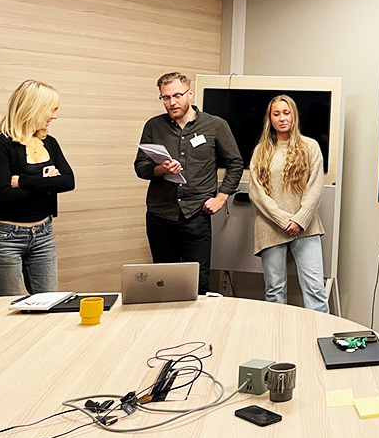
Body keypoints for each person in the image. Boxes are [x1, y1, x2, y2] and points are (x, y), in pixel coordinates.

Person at [134, 72, 243, 295]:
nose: (172, 102)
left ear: (190, 93)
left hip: (196, 214)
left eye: (177, 95)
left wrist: (221, 198)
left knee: (199, 283)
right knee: (163, 282)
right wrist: (161, 169)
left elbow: (235, 163)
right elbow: (140, 167)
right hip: (160, 214)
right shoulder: (154, 126)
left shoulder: (215, 125)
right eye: (165, 97)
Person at [0, 80, 75, 296]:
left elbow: (68, 181)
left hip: (44, 235)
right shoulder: (0, 145)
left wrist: (24, 181)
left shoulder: (50, 142)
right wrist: (48, 181)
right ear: (33, 108)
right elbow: (3, 195)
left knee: (48, 304)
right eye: (52, 109)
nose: (55, 116)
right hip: (6, 239)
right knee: (10, 310)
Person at [249, 95, 329, 313]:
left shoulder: (310, 146)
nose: (282, 118)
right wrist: (284, 219)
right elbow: (256, 191)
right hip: (270, 227)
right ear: (270, 119)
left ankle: (319, 338)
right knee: (274, 291)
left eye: (286, 113)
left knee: (315, 290)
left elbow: (315, 188)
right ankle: (276, 340)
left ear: (294, 116)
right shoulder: (261, 150)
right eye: (276, 114)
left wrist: (299, 219)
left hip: (305, 226)